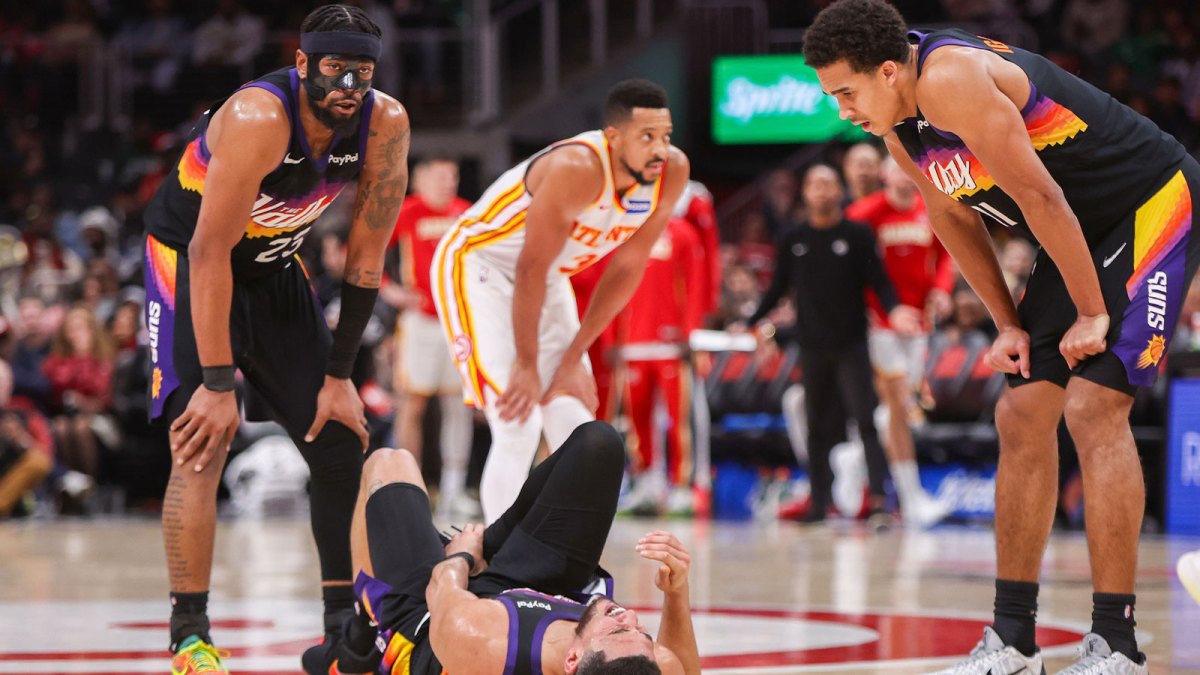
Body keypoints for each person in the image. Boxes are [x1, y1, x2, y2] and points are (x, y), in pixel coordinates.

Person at [803, 0, 1200, 671]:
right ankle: (1013, 640)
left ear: (890, 71)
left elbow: (1042, 199)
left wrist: (1091, 313)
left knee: (1093, 407)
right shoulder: (898, 128)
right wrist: (1008, 324)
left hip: (1152, 199)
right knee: (1020, 412)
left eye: (846, 92)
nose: (842, 110)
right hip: (1076, 229)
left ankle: (1117, 642)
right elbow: (953, 218)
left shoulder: (950, 79)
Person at [141, 5, 411, 672]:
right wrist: (216, 384)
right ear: (302, 64)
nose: (348, 83)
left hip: (273, 266)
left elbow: (365, 260)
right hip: (189, 265)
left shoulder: (386, 124)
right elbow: (208, 252)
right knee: (200, 444)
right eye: (334, 67)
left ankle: (342, 631)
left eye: (362, 71)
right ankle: (189, 636)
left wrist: (340, 375)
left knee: (340, 438)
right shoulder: (259, 117)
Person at [432, 79, 690, 523]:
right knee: (518, 421)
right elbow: (529, 268)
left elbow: (627, 267)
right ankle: (499, 554)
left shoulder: (672, 171)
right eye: (647, 137)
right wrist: (527, 364)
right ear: (613, 138)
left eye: (665, 136)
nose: (660, 149)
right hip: (479, 267)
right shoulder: (577, 166)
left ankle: (568, 553)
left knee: (578, 428)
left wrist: (573, 357)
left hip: (546, 277)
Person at [315, 421, 700, 675]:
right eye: (642, 633)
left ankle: (358, 638)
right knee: (599, 445)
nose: (629, 617)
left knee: (387, 463)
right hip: (527, 593)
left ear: (572, 658)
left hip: (433, 618)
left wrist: (465, 555)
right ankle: (501, 542)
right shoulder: (633, 662)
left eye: (617, 630)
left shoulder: (482, 640)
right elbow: (681, 667)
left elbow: (441, 587)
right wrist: (677, 592)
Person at [742, 164, 921, 524]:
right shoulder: (793, 238)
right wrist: (748, 322)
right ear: (805, 193)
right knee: (816, 425)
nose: (821, 191)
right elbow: (777, 289)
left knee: (866, 421)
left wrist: (895, 311)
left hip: (852, 344)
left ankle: (879, 500)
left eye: (828, 184)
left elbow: (879, 282)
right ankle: (819, 503)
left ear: (840, 191)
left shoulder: (857, 234)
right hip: (812, 346)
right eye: (814, 185)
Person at [845, 156, 954, 527]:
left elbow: (947, 256)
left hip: (920, 324)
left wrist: (942, 290)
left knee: (902, 409)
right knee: (899, 408)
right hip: (881, 324)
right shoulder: (864, 213)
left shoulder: (931, 208)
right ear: (884, 174)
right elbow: (851, 266)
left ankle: (853, 458)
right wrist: (864, 307)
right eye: (898, 170)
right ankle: (910, 497)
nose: (906, 177)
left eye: (911, 169)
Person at [387, 156, 477, 519]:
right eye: (439, 176)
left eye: (452, 175)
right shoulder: (406, 211)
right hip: (419, 321)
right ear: (419, 180)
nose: (447, 182)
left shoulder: (467, 212)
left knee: (459, 405)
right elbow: (366, 253)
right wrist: (391, 292)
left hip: (459, 321)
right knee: (413, 403)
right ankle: (408, 486)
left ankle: (454, 490)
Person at [617, 216, 707, 517]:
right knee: (636, 417)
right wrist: (615, 336)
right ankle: (646, 483)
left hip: (671, 343)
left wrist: (690, 331)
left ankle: (681, 486)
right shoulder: (624, 228)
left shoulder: (682, 232)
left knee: (677, 419)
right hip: (633, 343)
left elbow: (695, 282)